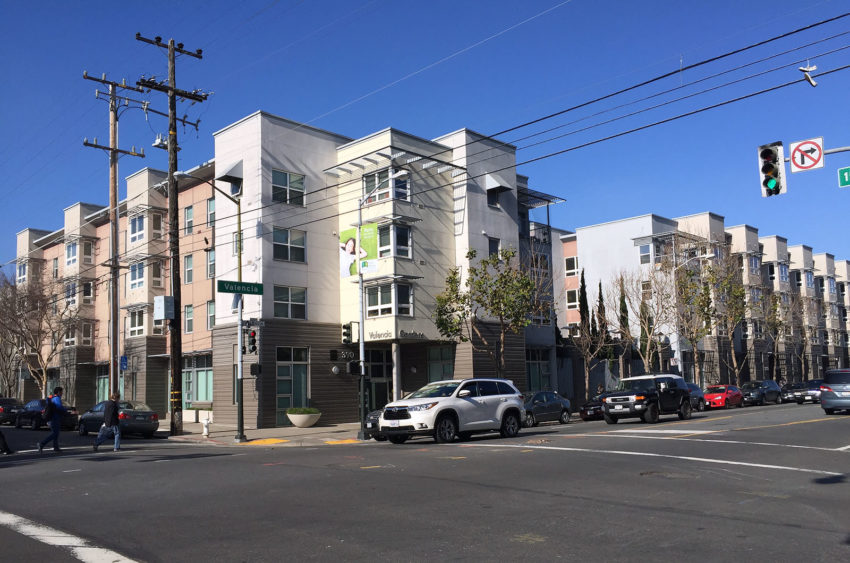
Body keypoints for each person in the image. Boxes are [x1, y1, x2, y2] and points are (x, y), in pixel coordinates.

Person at [38, 386, 67, 453]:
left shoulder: (52, 398)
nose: (62, 393)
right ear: (58, 392)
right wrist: (65, 409)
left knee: (56, 433)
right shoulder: (57, 398)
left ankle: (56, 447)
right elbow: (59, 407)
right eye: (61, 392)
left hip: (52, 418)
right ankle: (41, 444)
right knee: (55, 433)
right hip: (55, 418)